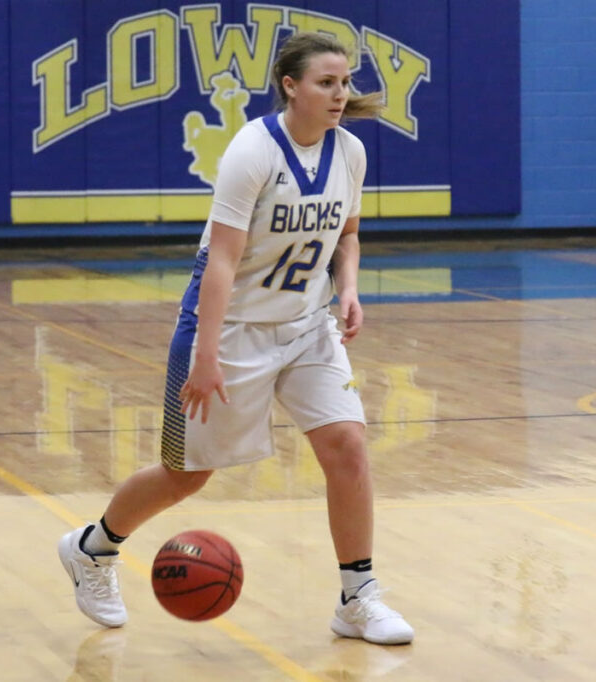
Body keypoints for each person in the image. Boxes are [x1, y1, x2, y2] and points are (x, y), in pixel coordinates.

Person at [58, 32, 414, 646]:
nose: (340, 94)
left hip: (307, 326)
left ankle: (357, 597)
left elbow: (348, 234)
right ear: (291, 86)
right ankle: (92, 548)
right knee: (186, 475)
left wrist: (348, 288)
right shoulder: (252, 150)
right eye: (326, 83)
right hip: (232, 329)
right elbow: (220, 263)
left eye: (345, 82)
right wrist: (204, 356)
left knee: (348, 446)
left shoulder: (349, 151)